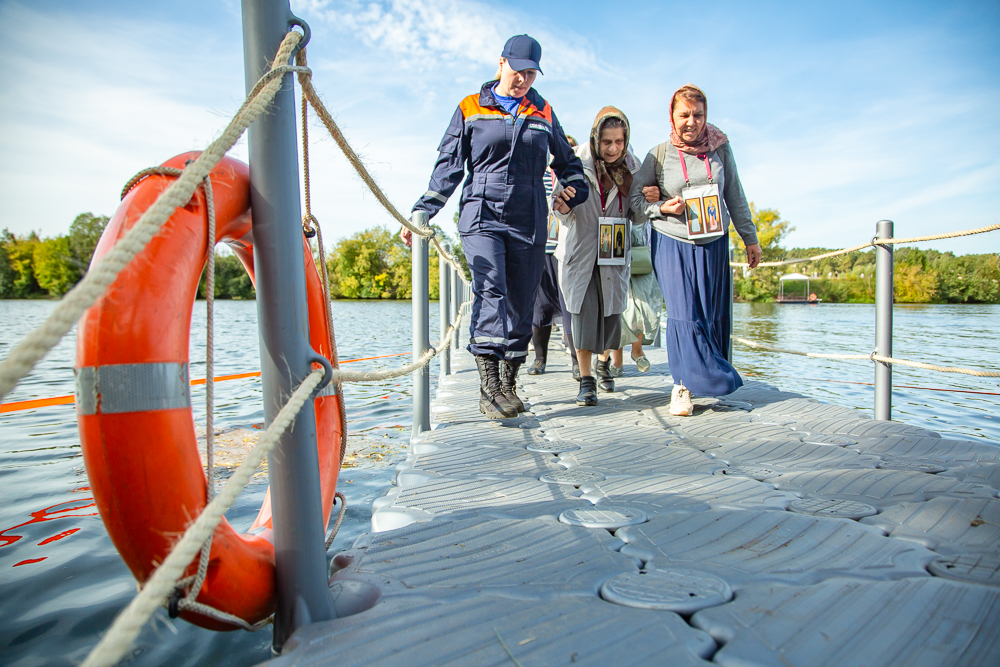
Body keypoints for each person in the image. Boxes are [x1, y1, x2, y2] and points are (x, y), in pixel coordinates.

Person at [406, 35, 588, 419]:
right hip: (482, 213)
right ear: (500, 62)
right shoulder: (470, 107)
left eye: (530, 73)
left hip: (531, 217)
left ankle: (508, 384)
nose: (522, 79)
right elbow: (449, 166)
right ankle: (488, 387)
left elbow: (568, 164)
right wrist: (424, 210)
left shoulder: (543, 111)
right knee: (492, 288)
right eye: (517, 69)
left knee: (523, 301)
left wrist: (574, 190)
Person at [631, 84, 761, 416]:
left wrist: (750, 238)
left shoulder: (719, 149)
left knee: (709, 312)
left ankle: (706, 378)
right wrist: (662, 208)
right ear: (672, 117)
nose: (692, 122)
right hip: (672, 241)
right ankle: (682, 386)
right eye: (684, 115)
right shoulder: (658, 154)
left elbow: (735, 195)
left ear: (707, 115)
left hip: (714, 242)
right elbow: (634, 203)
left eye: (698, 114)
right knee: (683, 312)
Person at [553, 107, 637, 406]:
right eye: (606, 142)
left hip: (613, 251)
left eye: (619, 141)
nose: (613, 149)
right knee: (583, 315)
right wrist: (562, 207)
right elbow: (559, 208)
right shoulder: (575, 161)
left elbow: (638, 216)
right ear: (595, 138)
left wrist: (650, 201)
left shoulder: (633, 168)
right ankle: (586, 379)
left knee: (610, 314)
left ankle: (605, 364)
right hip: (582, 249)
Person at [614, 217, 664, 374]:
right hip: (617, 248)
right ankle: (617, 359)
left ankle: (637, 350)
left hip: (645, 254)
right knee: (618, 306)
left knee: (644, 305)